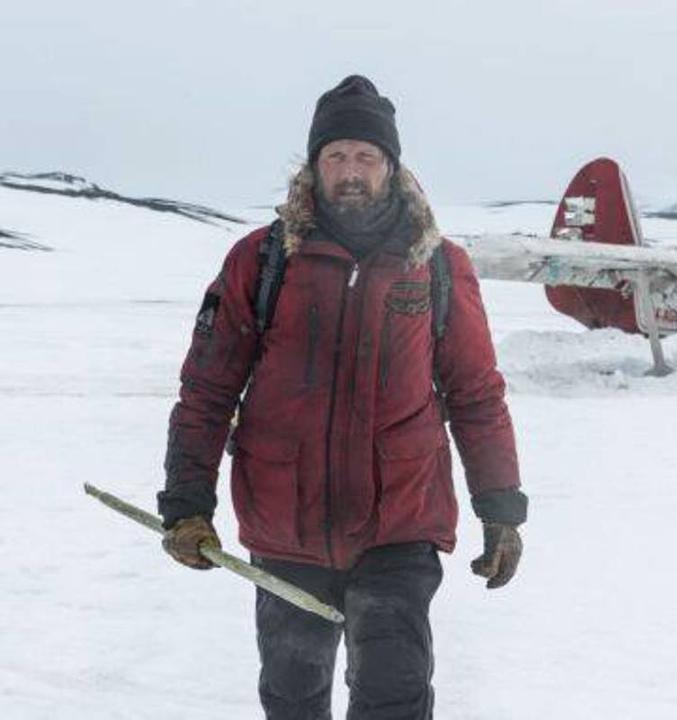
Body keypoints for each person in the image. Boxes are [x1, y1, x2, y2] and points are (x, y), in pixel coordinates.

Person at [156, 75, 527, 720]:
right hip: (286, 523)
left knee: (394, 697)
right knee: (293, 699)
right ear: (313, 165)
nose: (350, 172)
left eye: (365, 157)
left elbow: (475, 393)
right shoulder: (261, 261)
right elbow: (207, 391)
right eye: (335, 157)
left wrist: (500, 509)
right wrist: (186, 504)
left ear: (391, 166)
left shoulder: (438, 265)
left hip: (401, 522)